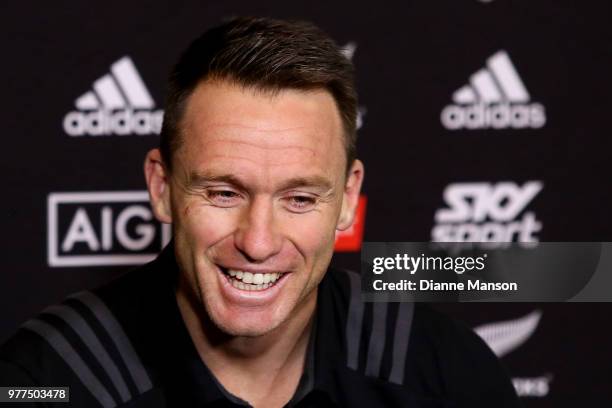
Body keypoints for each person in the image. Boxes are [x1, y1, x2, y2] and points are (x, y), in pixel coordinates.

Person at [0, 17, 520, 407]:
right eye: (224, 193)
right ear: (161, 187)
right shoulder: (48, 378)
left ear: (345, 198)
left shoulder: (443, 372)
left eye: (299, 199)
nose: (258, 241)